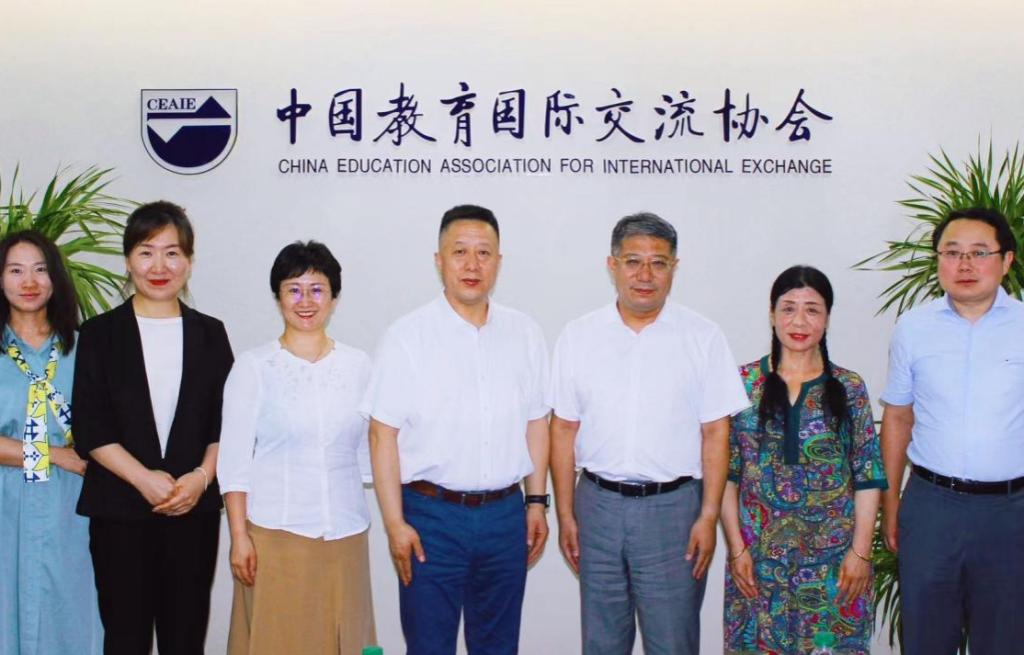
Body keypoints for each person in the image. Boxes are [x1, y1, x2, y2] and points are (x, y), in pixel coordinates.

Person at [548, 212, 749, 655]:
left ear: (674, 268)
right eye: (633, 261)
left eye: (658, 263)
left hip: (674, 511)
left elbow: (716, 432)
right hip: (596, 508)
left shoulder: (703, 337)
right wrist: (565, 514)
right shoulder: (579, 336)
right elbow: (562, 429)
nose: (645, 275)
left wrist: (708, 515)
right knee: (601, 642)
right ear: (612, 265)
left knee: (673, 642)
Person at [362, 204, 550, 655]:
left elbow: (536, 422)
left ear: (498, 262)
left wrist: (537, 502)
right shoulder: (407, 336)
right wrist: (394, 524)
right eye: (459, 252)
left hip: (505, 516)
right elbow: (382, 434)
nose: (472, 264)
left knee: (498, 646)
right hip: (431, 518)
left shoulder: (524, 333)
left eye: (484, 253)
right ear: (439, 260)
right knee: (429, 645)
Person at [73, 201, 233, 655]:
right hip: (119, 510)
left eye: (172, 253)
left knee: (185, 638)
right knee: (125, 638)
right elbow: (90, 426)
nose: (159, 267)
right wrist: (143, 479)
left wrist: (200, 478)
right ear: (128, 260)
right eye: (146, 252)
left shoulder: (211, 333)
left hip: (192, 510)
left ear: (189, 261)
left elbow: (226, 422)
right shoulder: (100, 334)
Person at [218, 240, 376, 654]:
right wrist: (239, 536)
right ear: (278, 297)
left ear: (334, 297)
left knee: (347, 640)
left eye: (317, 289)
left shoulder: (359, 365)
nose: (306, 301)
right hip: (276, 537)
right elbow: (233, 462)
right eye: (294, 289)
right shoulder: (254, 367)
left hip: (346, 534)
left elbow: (371, 452)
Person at [720, 265, 887, 655]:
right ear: (771, 314)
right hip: (757, 564)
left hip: (836, 566)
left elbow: (867, 475)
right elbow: (725, 474)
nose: (799, 321)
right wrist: (737, 549)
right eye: (788, 308)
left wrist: (860, 553)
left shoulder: (849, 387)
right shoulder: (743, 383)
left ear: (827, 318)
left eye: (812, 310)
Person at [880, 207, 1024, 655]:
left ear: (1006, 260)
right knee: (926, 638)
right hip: (932, 507)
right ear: (938, 259)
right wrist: (891, 500)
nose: (965, 264)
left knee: (1005, 640)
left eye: (979, 252)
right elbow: (898, 417)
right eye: (952, 252)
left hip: (1011, 510)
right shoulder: (913, 328)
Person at [0, 230, 102, 655]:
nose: (29, 281)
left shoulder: (88, 349)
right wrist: (53, 455)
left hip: (74, 506)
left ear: (56, 277)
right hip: (7, 502)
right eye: (15, 270)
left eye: (40, 269)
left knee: (74, 614)